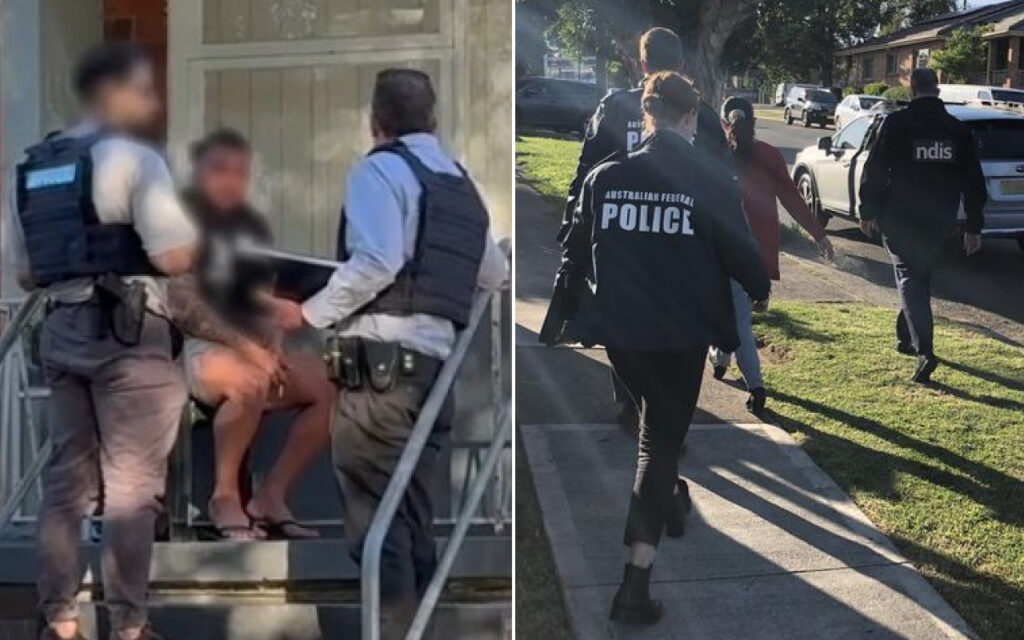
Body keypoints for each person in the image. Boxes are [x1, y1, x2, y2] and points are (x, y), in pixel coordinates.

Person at [266, 69, 508, 639]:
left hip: (378, 378)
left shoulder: (379, 169)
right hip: (433, 377)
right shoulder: (461, 184)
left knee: (378, 527)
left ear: (376, 122)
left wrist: (307, 312)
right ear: (434, 121)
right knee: (414, 521)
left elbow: (376, 261)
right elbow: (493, 274)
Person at [542, 72, 770, 625]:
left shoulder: (605, 176)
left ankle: (669, 497)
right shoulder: (710, 180)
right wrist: (759, 289)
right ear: (690, 117)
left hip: (623, 335)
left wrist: (561, 317)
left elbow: (574, 251)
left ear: (646, 115)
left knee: (655, 426)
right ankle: (633, 588)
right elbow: (742, 256)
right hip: (682, 335)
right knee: (658, 446)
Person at [2, 43, 197, 640]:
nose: (150, 102)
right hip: (130, 335)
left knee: (66, 483)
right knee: (133, 488)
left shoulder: (33, 167)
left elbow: (27, 273)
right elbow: (172, 254)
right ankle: (130, 627)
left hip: (61, 332)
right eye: (142, 90)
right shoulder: (135, 159)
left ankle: (59, 621)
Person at [552, 26, 731, 433]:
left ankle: (635, 405)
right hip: (683, 237)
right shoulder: (700, 114)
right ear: (682, 63)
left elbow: (584, 177)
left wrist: (571, 235)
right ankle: (662, 421)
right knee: (678, 323)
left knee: (623, 316)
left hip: (621, 236)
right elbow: (725, 183)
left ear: (642, 62)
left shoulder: (614, 107)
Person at [167, 129, 336, 540]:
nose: (231, 180)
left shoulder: (249, 227)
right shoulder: (180, 225)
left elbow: (262, 299)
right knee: (250, 380)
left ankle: (271, 496)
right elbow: (185, 307)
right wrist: (249, 350)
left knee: (328, 387)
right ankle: (224, 497)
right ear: (199, 173)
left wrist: (272, 343)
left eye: (240, 172)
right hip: (200, 348)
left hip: (253, 346)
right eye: (220, 170)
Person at [859, 68, 987, 383]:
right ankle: (906, 337)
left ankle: (924, 351)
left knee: (908, 278)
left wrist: (867, 209)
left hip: (899, 217)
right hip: (939, 219)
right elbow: (973, 181)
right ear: (937, 90)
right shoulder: (956, 130)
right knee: (920, 276)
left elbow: (874, 169)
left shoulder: (897, 124)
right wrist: (973, 225)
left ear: (912, 89)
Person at [708, 97, 835, 416]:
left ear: (725, 123)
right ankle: (722, 359)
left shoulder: (713, 154)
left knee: (735, 320)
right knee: (737, 317)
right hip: (757, 253)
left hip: (721, 248)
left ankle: (755, 385)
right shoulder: (770, 155)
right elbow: (792, 200)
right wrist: (819, 235)